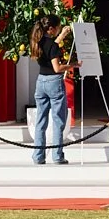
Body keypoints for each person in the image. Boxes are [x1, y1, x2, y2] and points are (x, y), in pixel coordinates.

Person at [28, 18, 71, 165]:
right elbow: (57, 68)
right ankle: (57, 156)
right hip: (54, 82)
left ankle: (38, 156)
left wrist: (62, 36)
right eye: (58, 28)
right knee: (58, 120)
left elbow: (51, 46)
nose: (59, 30)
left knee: (41, 121)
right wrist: (72, 65)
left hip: (41, 81)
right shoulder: (52, 45)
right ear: (51, 29)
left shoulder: (36, 42)